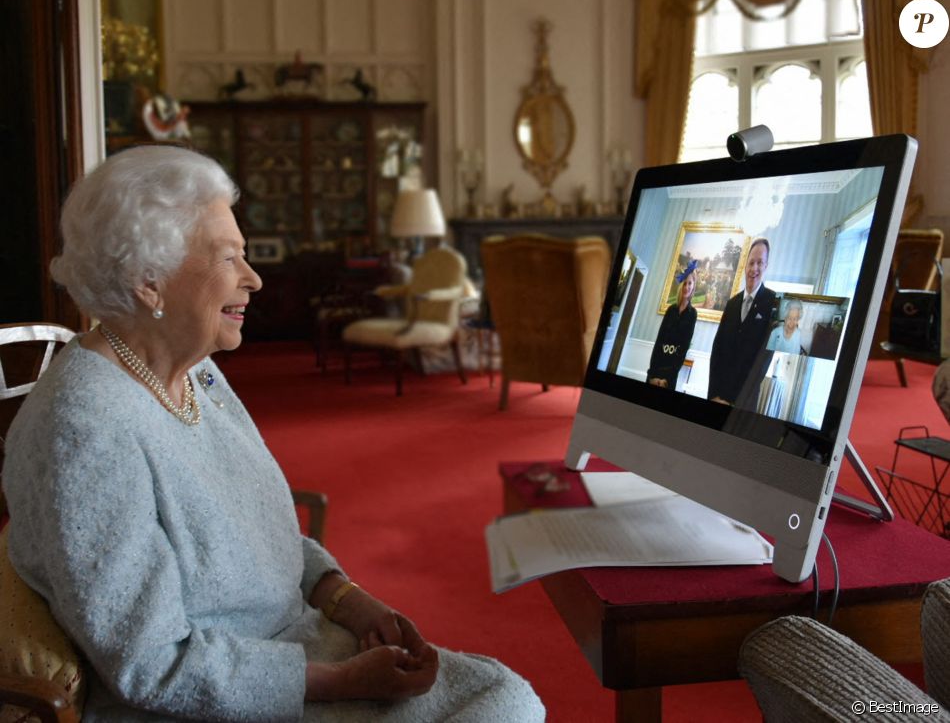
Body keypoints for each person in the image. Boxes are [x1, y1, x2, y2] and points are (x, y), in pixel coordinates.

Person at [2, 146, 545, 722]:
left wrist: (345, 597)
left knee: (503, 696)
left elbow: (260, 536)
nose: (253, 278)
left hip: (293, 646)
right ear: (148, 282)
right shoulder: (84, 432)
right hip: (217, 698)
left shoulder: (193, 373)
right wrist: (339, 681)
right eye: (230, 258)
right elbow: (153, 667)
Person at [707, 237, 778, 409]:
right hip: (718, 397)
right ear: (745, 265)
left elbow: (763, 361)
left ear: (766, 266)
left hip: (743, 403)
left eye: (760, 263)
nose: (754, 268)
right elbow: (717, 352)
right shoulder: (731, 304)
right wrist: (714, 394)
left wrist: (738, 401)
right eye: (751, 262)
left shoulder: (773, 303)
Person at [647, 260, 698, 389]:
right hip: (657, 365)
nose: (687, 287)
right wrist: (652, 374)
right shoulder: (670, 310)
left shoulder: (692, 314)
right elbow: (659, 341)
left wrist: (667, 377)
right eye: (684, 283)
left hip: (670, 374)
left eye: (690, 283)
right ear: (681, 285)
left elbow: (684, 347)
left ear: (693, 286)